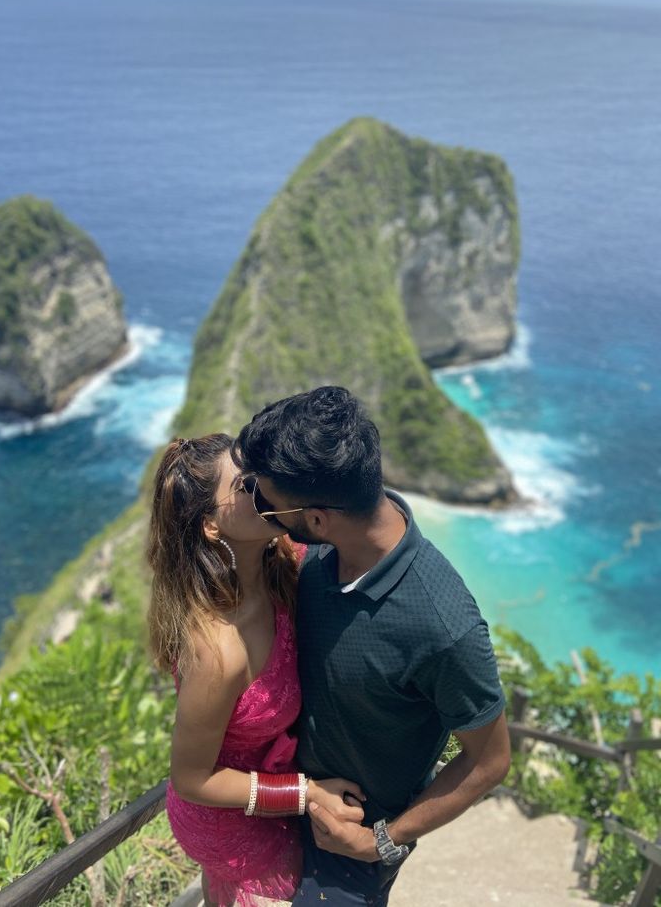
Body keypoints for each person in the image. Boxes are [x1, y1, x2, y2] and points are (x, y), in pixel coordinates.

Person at [232, 387, 512, 906]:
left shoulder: (442, 625)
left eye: (266, 504)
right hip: (283, 797)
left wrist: (379, 842)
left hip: (349, 845)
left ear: (316, 518)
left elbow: (489, 761)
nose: (258, 508)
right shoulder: (317, 550)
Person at [146, 433, 366, 907]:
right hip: (225, 819)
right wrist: (305, 794)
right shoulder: (217, 652)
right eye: (246, 484)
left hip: (270, 789)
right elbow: (191, 779)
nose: (264, 485)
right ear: (211, 526)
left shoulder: (283, 559)